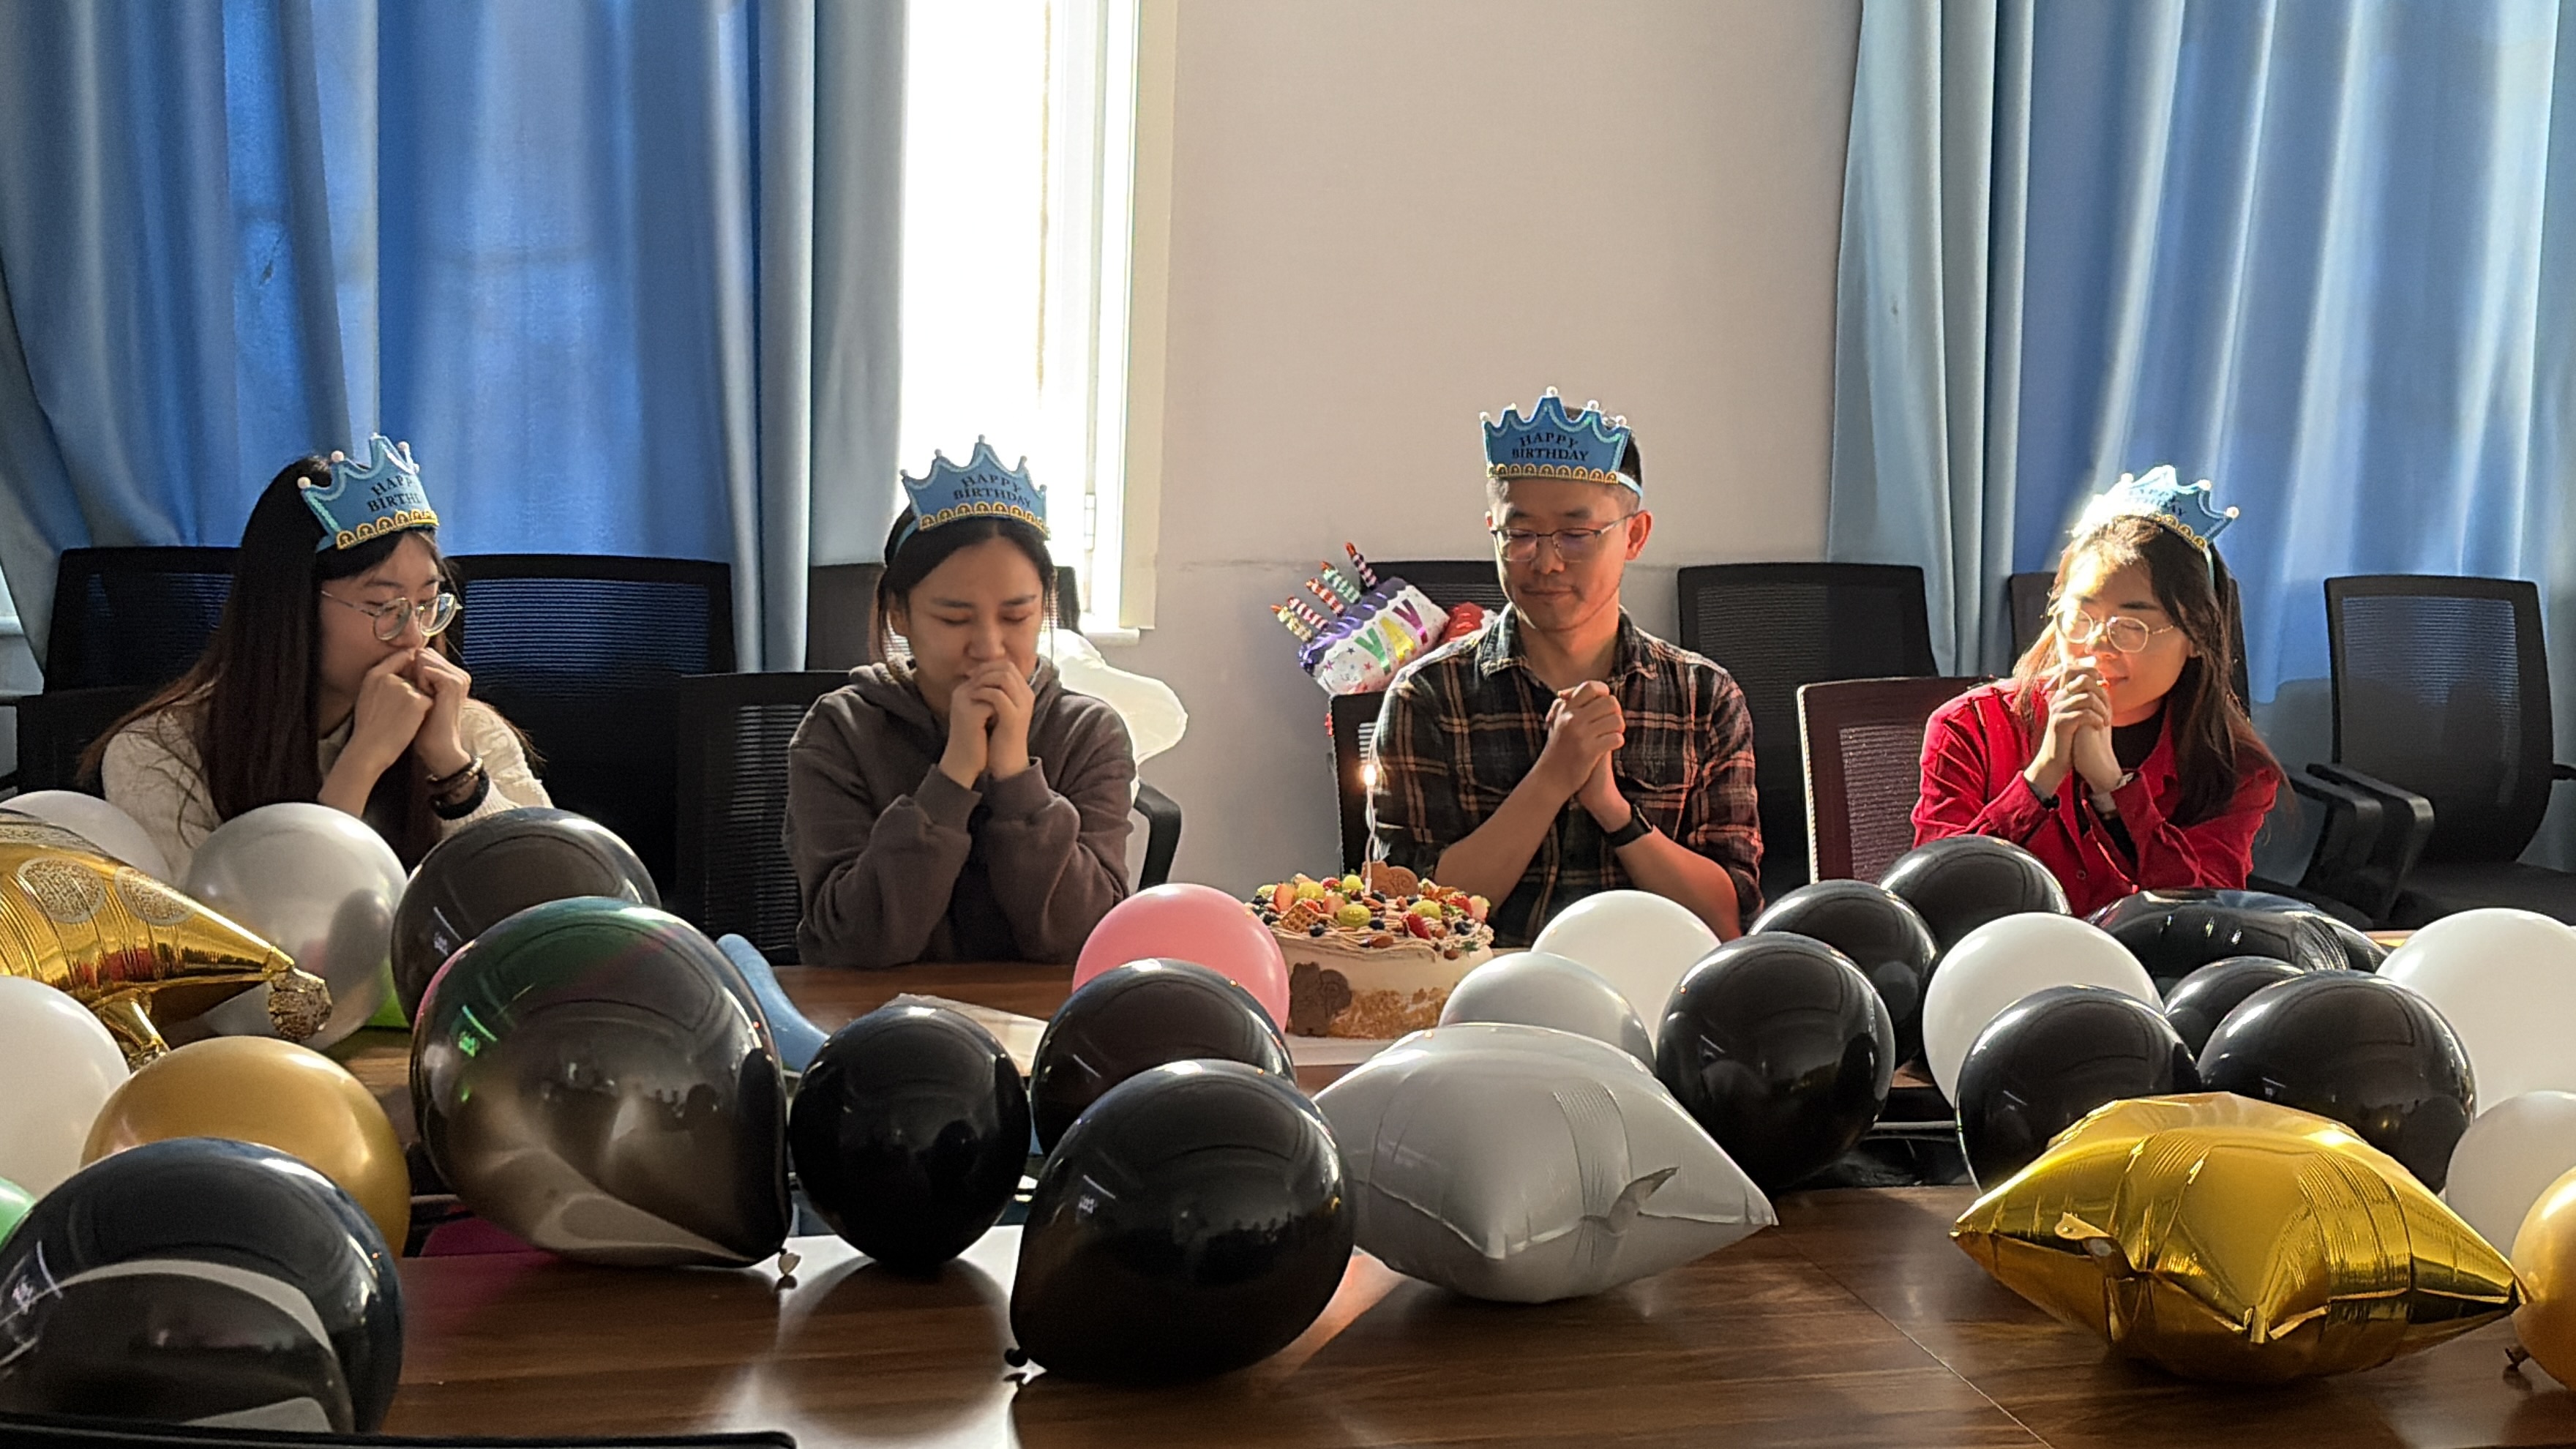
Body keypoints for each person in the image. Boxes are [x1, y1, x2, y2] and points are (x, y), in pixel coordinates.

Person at [1368, 390, 1761, 946]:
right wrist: (1553, 776)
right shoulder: (1428, 696)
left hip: (1655, 986)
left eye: (1576, 536)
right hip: (1486, 992)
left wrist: (1613, 808)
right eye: (1520, 535)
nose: (1547, 562)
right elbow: (1410, 920)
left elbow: (1726, 921)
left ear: (1634, 535)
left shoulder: (1704, 696)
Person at [98, 437, 547, 877]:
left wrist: (454, 770)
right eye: (384, 607)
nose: (414, 638)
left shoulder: (463, 727)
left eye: (429, 604)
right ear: (293, 610)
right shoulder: (158, 753)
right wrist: (361, 764)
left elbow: (554, 893)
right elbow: (239, 925)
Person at [785, 439, 1134, 968]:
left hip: (1038, 1016)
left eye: (1016, 617)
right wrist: (952, 778)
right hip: (879, 1012)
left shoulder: (1089, 734)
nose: (989, 648)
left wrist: (1016, 780)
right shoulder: (839, 731)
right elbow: (851, 944)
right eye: (954, 619)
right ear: (898, 614)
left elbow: (1085, 943)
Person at [1912, 466, 2281, 916]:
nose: (2097, 645)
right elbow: (1934, 901)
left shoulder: (2236, 766)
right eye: (2080, 618)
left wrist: (2113, 789)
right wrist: (2041, 777)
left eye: (2131, 626)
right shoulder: (1969, 727)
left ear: (2198, 636)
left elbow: (2206, 920)